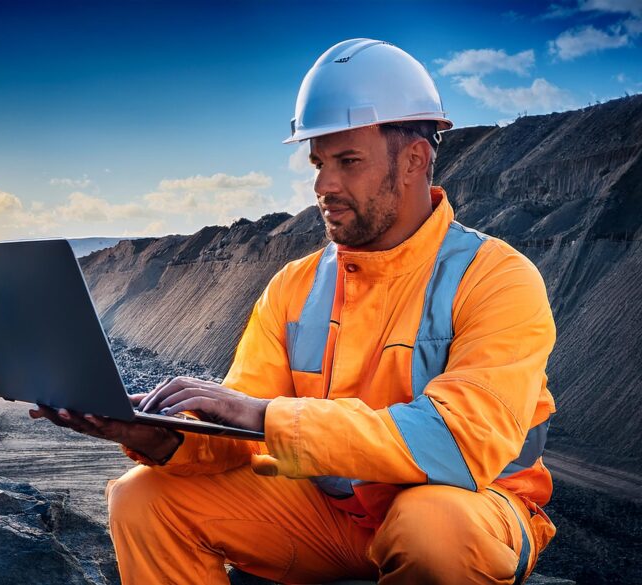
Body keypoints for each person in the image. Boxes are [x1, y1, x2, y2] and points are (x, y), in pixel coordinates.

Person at [31, 38, 557, 585]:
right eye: (318, 162)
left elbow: (458, 442)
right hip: (333, 518)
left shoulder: (497, 278)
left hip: (476, 509)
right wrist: (153, 436)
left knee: (429, 528)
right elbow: (231, 441)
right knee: (143, 498)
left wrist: (265, 415)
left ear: (415, 161)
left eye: (347, 162)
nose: (323, 186)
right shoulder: (295, 285)